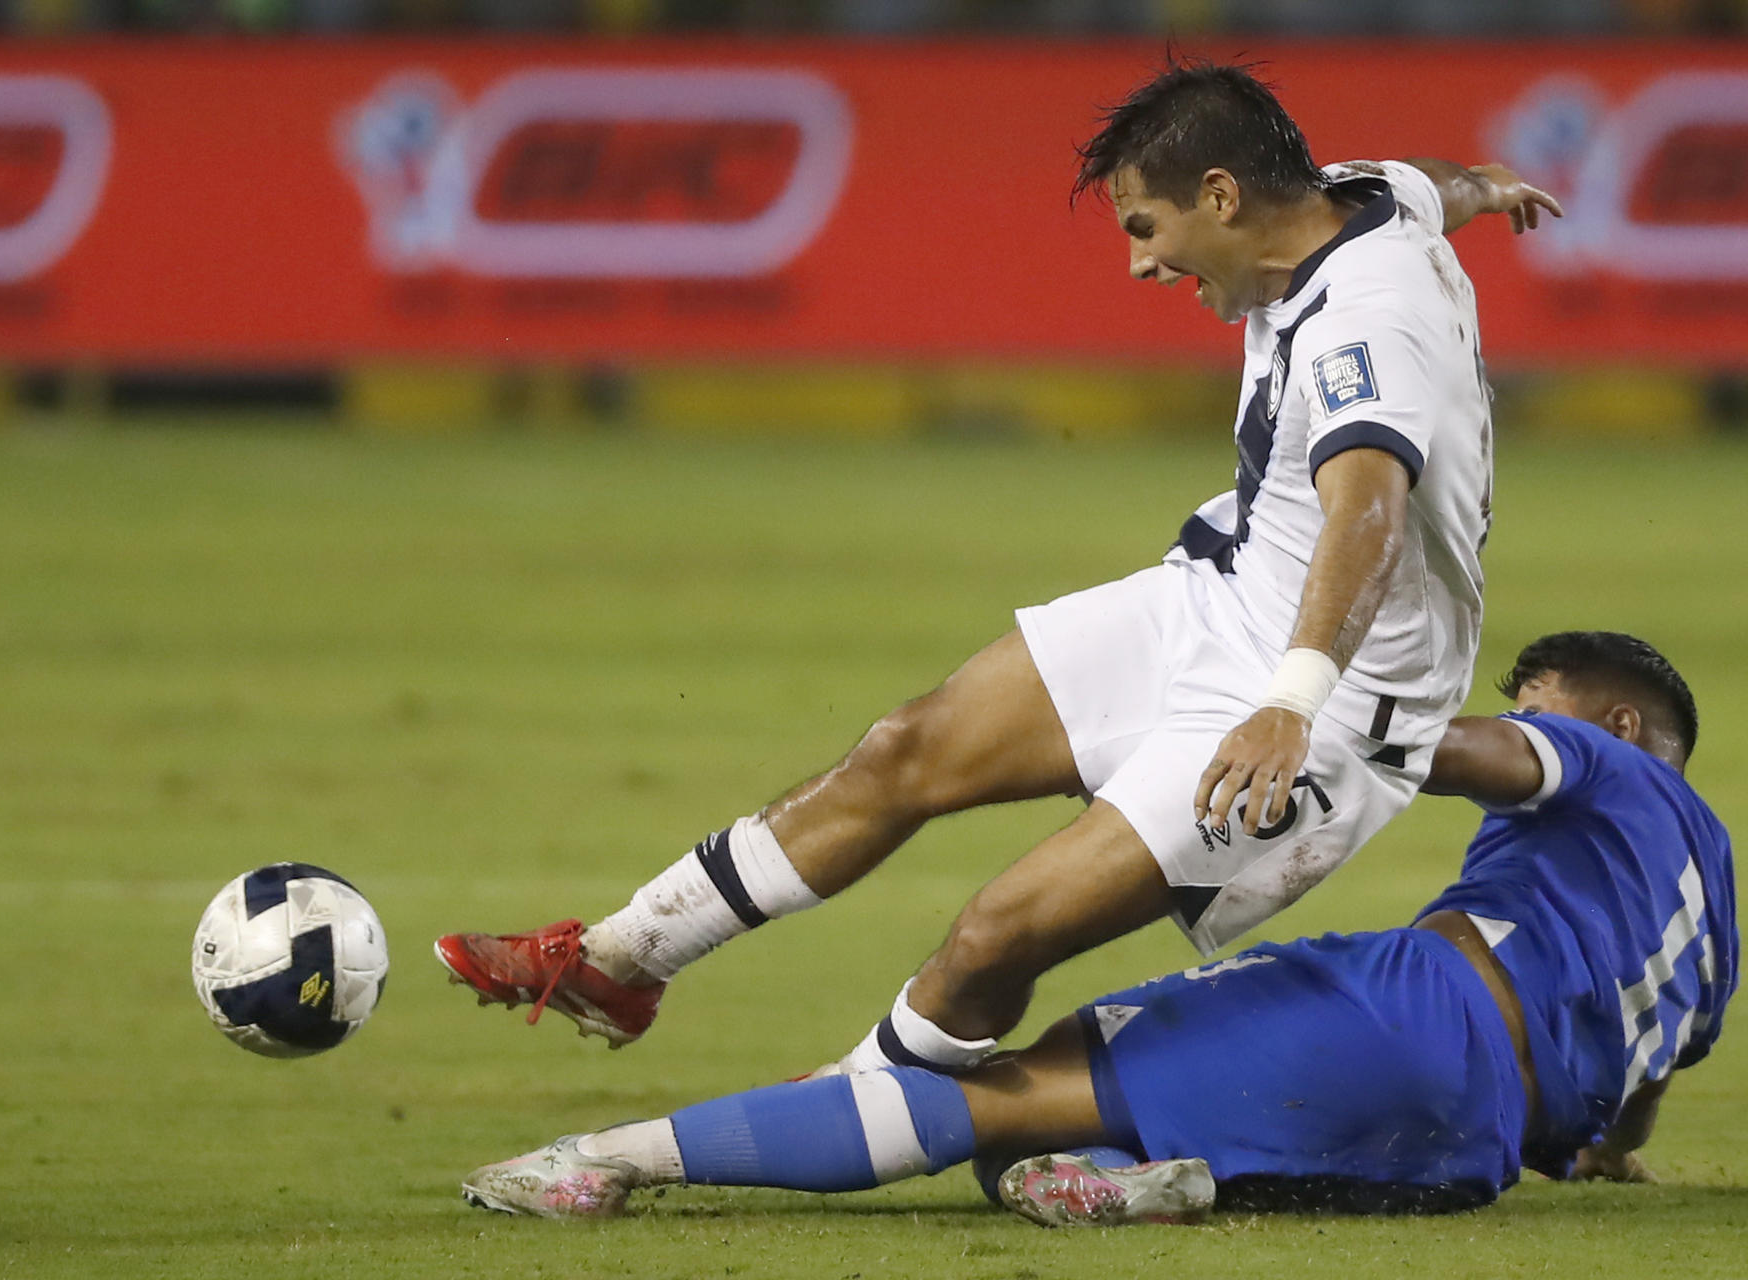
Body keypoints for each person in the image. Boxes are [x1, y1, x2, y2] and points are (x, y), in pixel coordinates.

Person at [434, 60, 1565, 1079]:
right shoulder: (1358, 196)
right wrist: (1487, 185)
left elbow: (1366, 516)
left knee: (994, 935)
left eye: (1148, 227)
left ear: (1223, 196)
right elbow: (1427, 183)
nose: (1141, 263)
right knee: (907, 746)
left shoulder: (1367, 322)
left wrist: (1289, 703)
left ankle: (833, 1123)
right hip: (1226, 600)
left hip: (1330, 694)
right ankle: (622, 959)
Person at [455, 631, 1738, 1226]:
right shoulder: (1716, 900)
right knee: (1063, 1142)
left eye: (1543, 702)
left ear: (1619, 725)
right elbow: (1647, 1088)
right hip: (1478, 1146)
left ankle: (606, 1156)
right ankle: (1137, 1183)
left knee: (998, 1094)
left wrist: (1313, 716)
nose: (1528, 717)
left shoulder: (1601, 761)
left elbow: (1473, 754)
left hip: (1414, 1013)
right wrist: (1609, 1156)